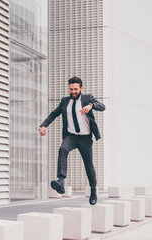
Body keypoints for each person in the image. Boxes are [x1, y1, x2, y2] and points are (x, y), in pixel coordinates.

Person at [39, 76, 105, 205]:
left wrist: (91, 106)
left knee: (89, 166)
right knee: (62, 149)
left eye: (75, 89)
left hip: (85, 138)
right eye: (71, 89)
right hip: (71, 136)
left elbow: (102, 106)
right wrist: (43, 125)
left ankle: (93, 191)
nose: (73, 92)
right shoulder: (65, 101)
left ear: (81, 88)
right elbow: (54, 113)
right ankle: (61, 181)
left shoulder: (87, 98)